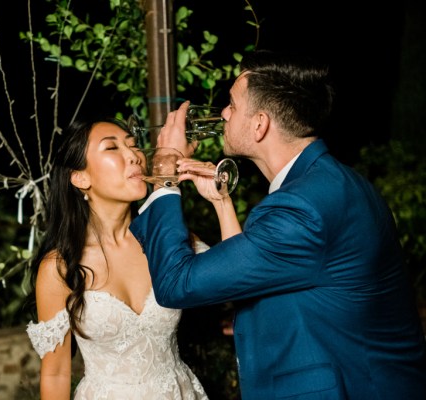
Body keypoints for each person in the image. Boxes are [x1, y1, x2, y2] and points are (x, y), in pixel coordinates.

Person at [129, 50, 426, 399]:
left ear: (260, 124)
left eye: (232, 105)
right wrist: (223, 204)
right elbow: (249, 279)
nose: (224, 113)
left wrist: (165, 171)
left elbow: (176, 284)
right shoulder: (328, 183)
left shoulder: (303, 208)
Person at [25, 117, 209, 399]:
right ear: (80, 177)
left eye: (133, 146)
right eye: (112, 148)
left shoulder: (166, 239)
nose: (134, 156)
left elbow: (242, 278)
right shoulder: (60, 267)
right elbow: (56, 372)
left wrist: (221, 201)